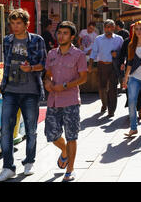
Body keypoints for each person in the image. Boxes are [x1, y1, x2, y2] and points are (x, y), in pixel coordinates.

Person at [0, 9, 46, 182]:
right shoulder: (7, 41)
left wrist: (30, 68)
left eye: (18, 23)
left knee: (31, 129)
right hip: (10, 90)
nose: (15, 27)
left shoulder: (37, 40)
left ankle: (29, 161)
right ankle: (8, 167)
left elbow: (43, 64)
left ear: (26, 24)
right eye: (12, 23)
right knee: (5, 131)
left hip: (30, 91)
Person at [43, 21, 87, 182]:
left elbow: (83, 78)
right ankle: (65, 152)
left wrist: (66, 85)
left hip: (70, 100)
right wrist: (47, 82)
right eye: (59, 32)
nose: (61, 36)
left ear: (72, 36)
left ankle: (70, 169)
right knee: (51, 134)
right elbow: (47, 74)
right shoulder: (51, 54)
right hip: (53, 100)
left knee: (71, 136)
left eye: (65, 33)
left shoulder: (79, 55)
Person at [88, 19, 123, 118]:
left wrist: (118, 54)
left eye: (110, 27)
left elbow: (123, 52)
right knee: (102, 87)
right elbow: (94, 52)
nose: (108, 29)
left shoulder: (119, 39)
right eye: (106, 27)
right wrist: (90, 65)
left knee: (113, 88)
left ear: (114, 28)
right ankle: (104, 104)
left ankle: (111, 110)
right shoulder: (99, 39)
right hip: (102, 65)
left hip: (113, 66)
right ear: (104, 28)